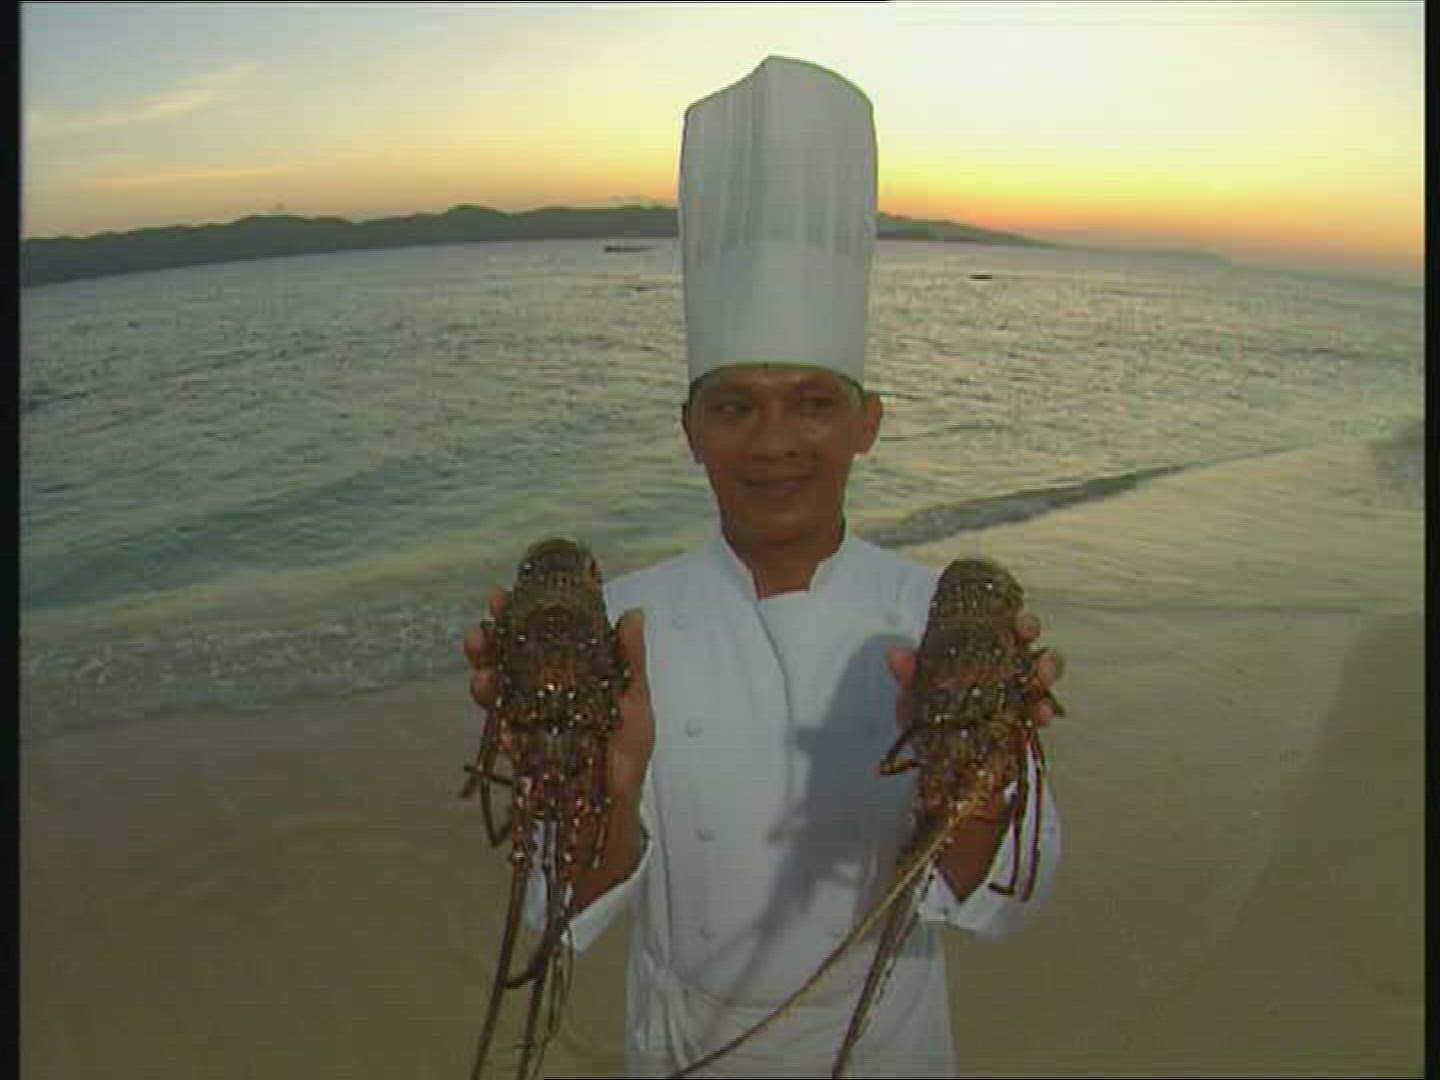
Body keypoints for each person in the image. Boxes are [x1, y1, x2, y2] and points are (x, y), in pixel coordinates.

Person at [463, 56, 1063, 1078]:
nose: (774, 440)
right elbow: (563, 905)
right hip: (683, 1048)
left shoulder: (936, 619)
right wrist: (609, 784)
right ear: (689, 429)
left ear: (867, 423)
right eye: (735, 405)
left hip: (887, 1051)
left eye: (813, 403)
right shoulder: (620, 626)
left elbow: (1005, 894)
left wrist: (983, 782)